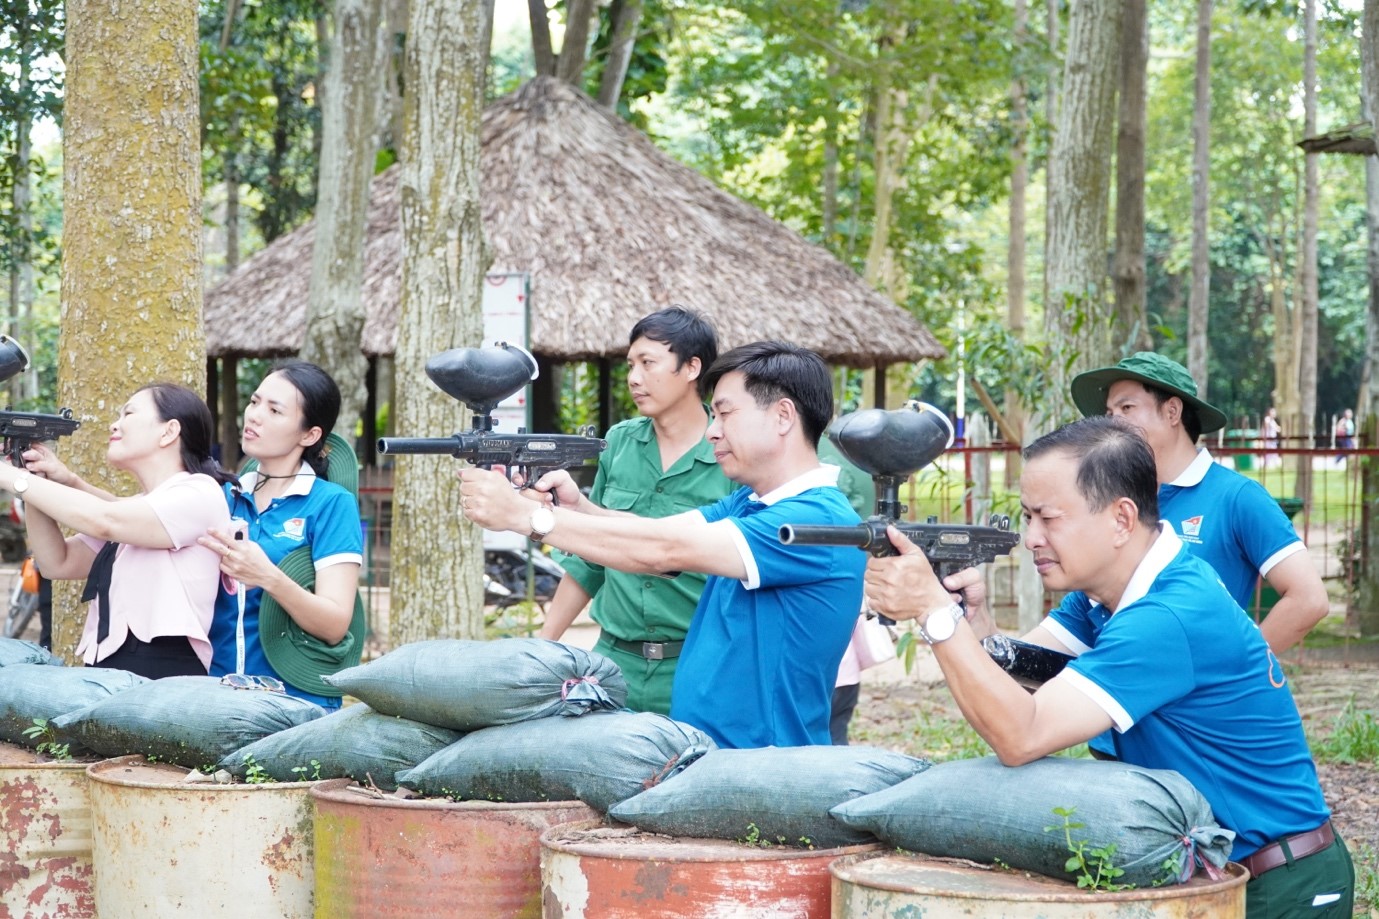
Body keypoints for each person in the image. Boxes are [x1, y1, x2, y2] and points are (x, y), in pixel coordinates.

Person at [864, 417, 1354, 917]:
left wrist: (935, 614)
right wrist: (976, 628)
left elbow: (1021, 735)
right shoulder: (1105, 594)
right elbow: (1024, 686)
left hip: (1281, 884)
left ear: (1121, 519)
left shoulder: (1168, 616)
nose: (1031, 537)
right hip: (1214, 869)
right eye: (1026, 516)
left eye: (1048, 518)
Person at [460, 340, 865, 748]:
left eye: (725, 413)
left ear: (782, 416)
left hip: (760, 772)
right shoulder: (751, 502)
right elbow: (657, 533)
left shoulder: (813, 521)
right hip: (713, 761)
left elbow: (665, 550)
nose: (713, 430)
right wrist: (578, 507)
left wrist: (524, 517)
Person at [536, 307, 734, 715]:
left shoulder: (731, 450)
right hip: (614, 660)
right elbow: (591, 556)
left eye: (648, 363)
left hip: (698, 662)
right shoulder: (620, 442)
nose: (634, 378)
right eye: (630, 365)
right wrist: (542, 645)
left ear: (692, 367)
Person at [1070, 353, 1327, 654]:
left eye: (1126, 407)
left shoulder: (1236, 497)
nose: (1113, 422)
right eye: (1109, 412)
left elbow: (1309, 598)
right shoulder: (1119, 504)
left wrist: (1234, 672)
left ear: (1172, 411)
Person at [0, 384, 235, 679]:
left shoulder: (200, 492)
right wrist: (30, 478)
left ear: (169, 431)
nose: (115, 423)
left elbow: (105, 520)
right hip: (107, 666)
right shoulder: (139, 509)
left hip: (164, 670)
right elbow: (56, 562)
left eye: (129, 413)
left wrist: (11, 478)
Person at [198, 361, 364, 709]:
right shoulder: (221, 497)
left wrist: (269, 577)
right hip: (213, 696)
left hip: (295, 703)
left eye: (274, 410)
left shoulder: (330, 503)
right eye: (255, 402)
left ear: (309, 435)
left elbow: (335, 624)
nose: (255, 416)